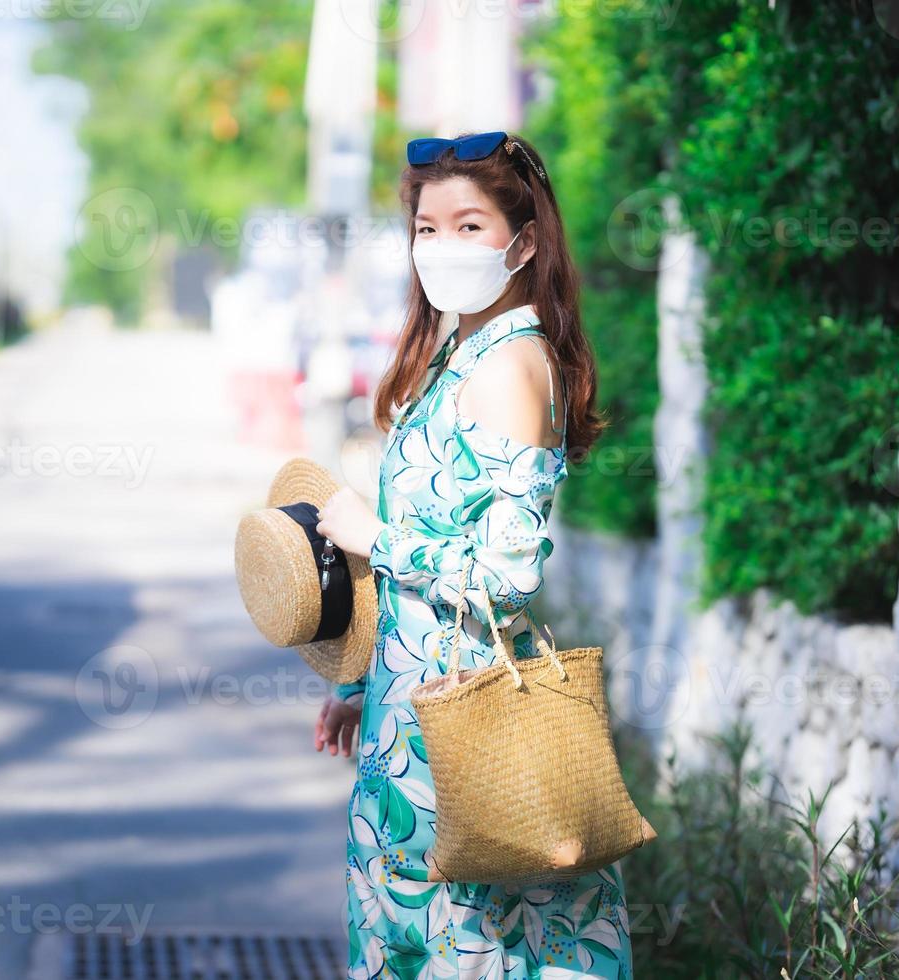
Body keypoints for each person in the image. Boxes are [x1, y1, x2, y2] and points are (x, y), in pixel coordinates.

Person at [311, 131, 632, 979]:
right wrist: (360, 684)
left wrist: (372, 537)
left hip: (465, 722)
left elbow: (506, 574)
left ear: (522, 243)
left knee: (471, 949)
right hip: (408, 711)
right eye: (426, 228)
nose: (441, 248)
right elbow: (434, 552)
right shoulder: (460, 355)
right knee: (417, 940)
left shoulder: (509, 366)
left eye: (469, 227)